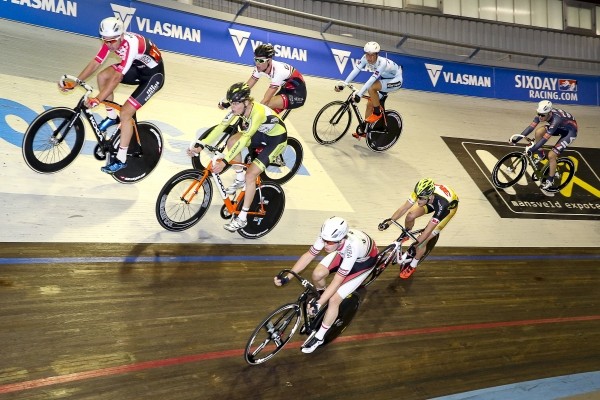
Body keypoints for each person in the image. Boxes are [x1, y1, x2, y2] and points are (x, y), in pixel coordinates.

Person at [58, 16, 165, 174]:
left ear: (121, 36)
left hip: (153, 76)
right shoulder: (111, 41)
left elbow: (117, 78)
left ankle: (121, 159)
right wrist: (76, 82)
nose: (109, 45)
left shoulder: (131, 44)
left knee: (126, 113)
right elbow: (96, 62)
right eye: (105, 41)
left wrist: (98, 99)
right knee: (102, 76)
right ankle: (110, 116)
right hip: (137, 67)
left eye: (112, 41)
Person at [188, 82, 287, 232]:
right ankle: (239, 179)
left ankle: (242, 218)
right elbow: (220, 127)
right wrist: (201, 145)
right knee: (231, 139)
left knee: (251, 175)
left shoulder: (257, 113)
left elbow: (244, 140)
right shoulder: (238, 110)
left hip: (275, 139)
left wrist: (225, 161)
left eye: (235, 104)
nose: (232, 107)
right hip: (260, 134)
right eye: (231, 103)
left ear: (246, 102)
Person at [274, 217, 379, 354]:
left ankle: (319, 336)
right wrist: (288, 276)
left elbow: (337, 281)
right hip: (344, 253)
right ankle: (322, 296)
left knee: (334, 299)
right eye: (324, 240)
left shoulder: (350, 248)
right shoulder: (328, 236)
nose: (325, 245)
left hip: (363, 263)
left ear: (341, 240)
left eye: (329, 242)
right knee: (317, 275)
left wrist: (320, 303)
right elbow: (309, 255)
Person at [378, 178, 458, 279]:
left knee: (423, 241)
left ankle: (413, 265)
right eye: (418, 197)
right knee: (410, 215)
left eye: (421, 198)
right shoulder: (421, 192)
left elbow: (427, 231)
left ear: (429, 196)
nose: (418, 200)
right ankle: (408, 233)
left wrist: (415, 244)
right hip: (433, 202)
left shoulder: (443, 205)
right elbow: (404, 208)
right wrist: (389, 222)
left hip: (447, 210)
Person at [334, 41, 403, 139]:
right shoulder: (365, 58)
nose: (369, 58)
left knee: (372, 87)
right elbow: (356, 70)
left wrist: (360, 94)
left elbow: (372, 80)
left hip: (396, 80)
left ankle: (377, 113)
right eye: (367, 55)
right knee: (370, 104)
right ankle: (365, 131)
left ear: (377, 55)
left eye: (372, 55)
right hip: (385, 79)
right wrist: (344, 84)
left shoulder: (382, 63)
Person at [219, 43, 306, 115]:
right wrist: (229, 103)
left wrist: (251, 112)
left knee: (264, 107)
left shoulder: (279, 71)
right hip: (285, 90)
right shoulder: (259, 68)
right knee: (266, 117)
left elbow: (266, 99)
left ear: (269, 61)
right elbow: (245, 88)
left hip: (297, 94)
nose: (257, 63)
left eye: (261, 61)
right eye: (256, 60)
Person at [511, 100, 578, 190]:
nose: (540, 117)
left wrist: (532, 150)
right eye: (538, 114)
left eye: (542, 115)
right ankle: (541, 155)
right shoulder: (542, 114)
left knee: (551, 155)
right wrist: (516, 139)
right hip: (560, 127)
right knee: (538, 132)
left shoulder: (556, 119)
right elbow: (530, 127)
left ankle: (550, 181)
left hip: (570, 132)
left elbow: (545, 139)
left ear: (549, 113)